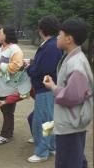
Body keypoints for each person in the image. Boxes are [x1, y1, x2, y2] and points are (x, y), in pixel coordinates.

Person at [43, 18, 93, 168]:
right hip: (73, 121)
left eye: (60, 34)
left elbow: (72, 96)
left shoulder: (75, 63)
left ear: (69, 39)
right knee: (76, 160)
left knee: (68, 162)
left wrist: (53, 87)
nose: (57, 37)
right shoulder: (74, 58)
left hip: (71, 124)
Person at [25, 15, 62, 162]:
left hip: (45, 89)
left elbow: (43, 69)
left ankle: (42, 152)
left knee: (43, 121)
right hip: (46, 89)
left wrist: (29, 68)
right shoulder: (51, 44)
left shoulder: (50, 46)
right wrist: (33, 63)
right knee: (48, 120)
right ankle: (52, 146)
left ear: (41, 30)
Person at [0, 27, 31, 145]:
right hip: (2, 85)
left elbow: (16, 66)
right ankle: (7, 131)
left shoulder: (15, 49)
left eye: (1, 32)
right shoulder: (2, 47)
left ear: (7, 35)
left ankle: (6, 135)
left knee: (8, 111)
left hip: (9, 87)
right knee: (5, 110)